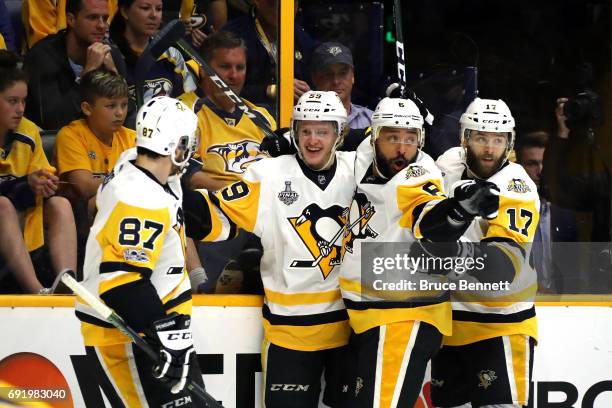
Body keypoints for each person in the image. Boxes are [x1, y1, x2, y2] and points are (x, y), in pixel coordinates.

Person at [184, 90, 355, 406]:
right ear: (294, 132)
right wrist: (176, 204)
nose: (313, 140)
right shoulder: (270, 175)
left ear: (339, 134)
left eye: (323, 131)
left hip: (350, 332)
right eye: (305, 130)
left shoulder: (357, 170)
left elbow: (391, 152)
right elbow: (219, 215)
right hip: (289, 334)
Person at [74, 96, 205, 406]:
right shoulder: (139, 197)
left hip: (157, 327)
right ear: (176, 145)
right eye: (190, 141)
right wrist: (164, 334)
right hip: (131, 337)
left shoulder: (139, 164)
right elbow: (123, 281)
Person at [338, 97, 451, 407]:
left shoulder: (420, 175)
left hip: (403, 314)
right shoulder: (360, 156)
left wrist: (453, 214)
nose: (402, 148)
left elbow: (430, 216)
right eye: (392, 138)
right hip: (370, 315)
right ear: (374, 137)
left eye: (410, 139)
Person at [428, 98, 539, 408]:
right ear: (465, 139)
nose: (490, 149)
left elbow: (503, 268)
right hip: (449, 326)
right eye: (481, 138)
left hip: (500, 324)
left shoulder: (517, 187)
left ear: (509, 142)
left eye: (498, 139)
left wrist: (447, 248)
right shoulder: (448, 163)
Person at [179, 30, 276, 293]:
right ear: (204, 70)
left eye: (239, 67)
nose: (233, 76)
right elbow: (190, 176)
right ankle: (207, 291)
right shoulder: (185, 111)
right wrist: (241, 196)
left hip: (263, 212)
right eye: (224, 67)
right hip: (218, 209)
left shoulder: (261, 117)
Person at [0, 50, 77, 294]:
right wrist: (24, 185)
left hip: (20, 223)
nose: (21, 109)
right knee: (2, 206)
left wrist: (46, 185)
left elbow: (40, 182)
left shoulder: (29, 131)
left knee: (60, 205)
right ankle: (38, 293)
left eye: (24, 101)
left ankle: (68, 285)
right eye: (12, 101)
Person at [23, 0, 127, 131]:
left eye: (105, 18)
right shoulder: (42, 57)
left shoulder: (110, 54)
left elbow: (128, 118)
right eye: (93, 17)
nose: (102, 25)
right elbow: (54, 123)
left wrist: (115, 75)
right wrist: (88, 73)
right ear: (71, 20)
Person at [55, 68, 135, 213]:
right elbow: (84, 187)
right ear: (87, 108)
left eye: (124, 105)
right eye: (111, 106)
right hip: (80, 214)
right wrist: (133, 183)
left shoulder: (132, 138)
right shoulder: (71, 135)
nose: (120, 113)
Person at [222, 0, 317, 111]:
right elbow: (222, 89)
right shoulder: (232, 35)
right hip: (246, 117)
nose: (281, 9)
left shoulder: (302, 37)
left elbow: (313, 81)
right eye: (274, 3)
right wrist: (270, 90)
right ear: (257, 2)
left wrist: (307, 92)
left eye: (291, 3)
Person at [516, 131, 578, 293]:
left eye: (545, 163)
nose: (540, 171)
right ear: (519, 167)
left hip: (563, 305)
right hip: (519, 301)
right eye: (532, 163)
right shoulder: (507, 211)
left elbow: (575, 271)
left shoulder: (567, 215)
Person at [109, 0, 197, 114]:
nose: (154, 15)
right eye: (145, 8)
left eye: (159, 9)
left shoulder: (171, 55)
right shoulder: (109, 55)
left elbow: (189, 104)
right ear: (125, 12)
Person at [311, 42, 373, 130]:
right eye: (328, 74)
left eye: (342, 73)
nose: (336, 81)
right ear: (315, 78)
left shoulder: (372, 121)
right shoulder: (303, 122)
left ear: (352, 76)